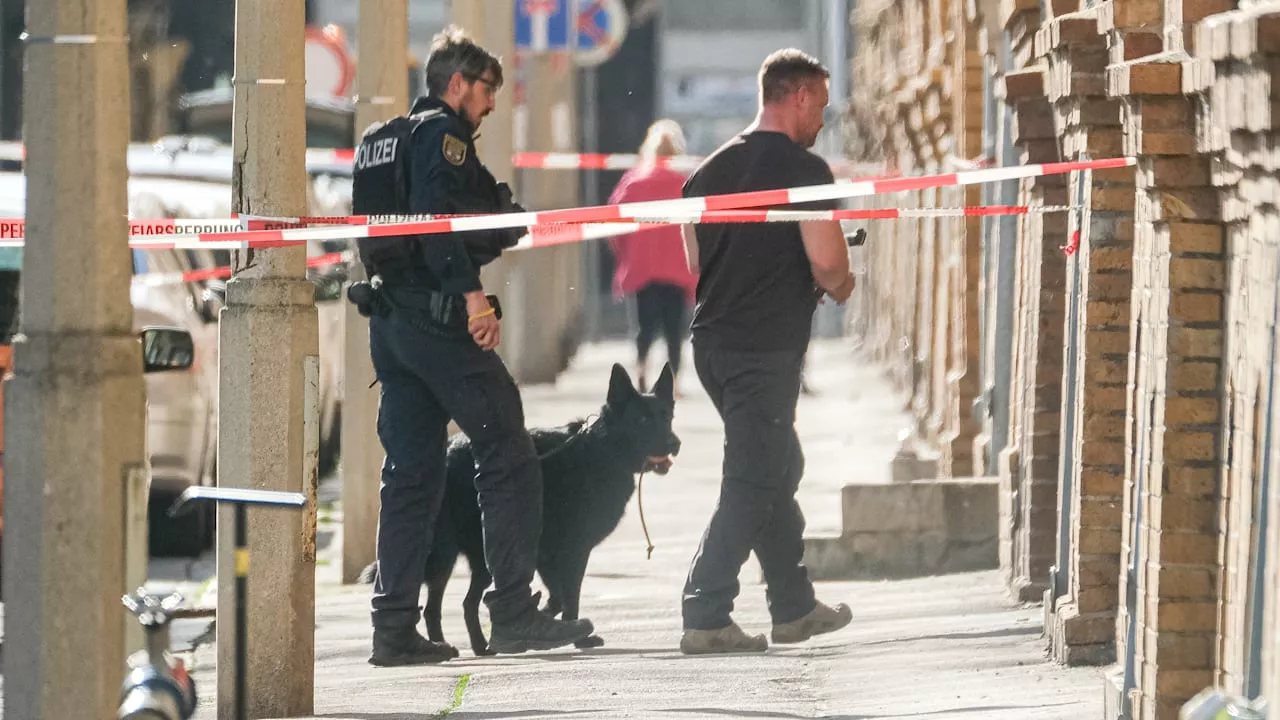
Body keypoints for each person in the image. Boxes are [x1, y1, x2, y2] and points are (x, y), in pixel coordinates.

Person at [349, 25, 594, 666]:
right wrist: (471, 297)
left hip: (392, 330)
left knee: (410, 476)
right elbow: (438, 225)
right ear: (456, 84)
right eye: (487, 91)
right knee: (507, 447)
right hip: (437, 324)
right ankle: (513, 610)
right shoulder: (443, 136)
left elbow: (449, 219)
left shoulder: (381, 141)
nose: (491, 104)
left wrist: (500, 221)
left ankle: (394, 627)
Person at [677, 48, 855, 655]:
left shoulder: (705, 172)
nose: (823, 121)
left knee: (780, 465)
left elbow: (695, 262)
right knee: (754, 477)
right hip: (763, 348)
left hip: (713, 346)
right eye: (822, 106)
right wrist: (839, 282)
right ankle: (705, 609)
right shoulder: (804, 170)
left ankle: (793, 604)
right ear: (798, 95)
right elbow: (829, 263)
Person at [607, 119, 698, 394]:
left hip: (642, 267)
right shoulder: (685, 182)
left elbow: (614, 222)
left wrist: (625, 254)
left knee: (644, 327)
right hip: (677, 268)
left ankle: (642, 374)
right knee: (674, 329)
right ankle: (674, 382)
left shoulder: (634, 181)